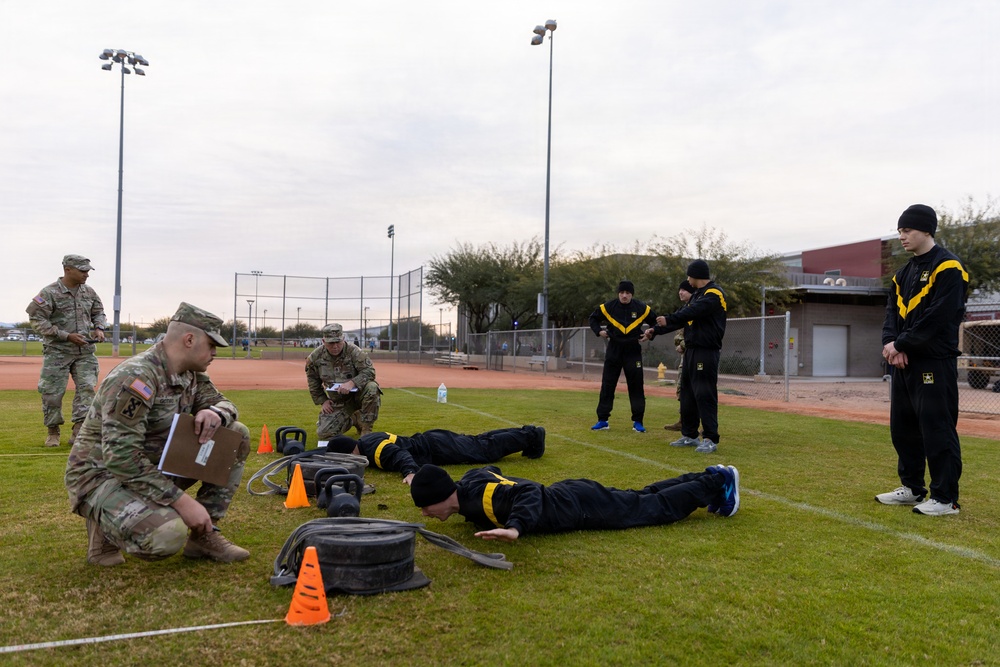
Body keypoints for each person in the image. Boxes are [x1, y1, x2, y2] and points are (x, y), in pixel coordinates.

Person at [64, 303, 251, 566]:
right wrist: (182, 502)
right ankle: (104, 527)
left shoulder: (190, 374)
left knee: (235, 434)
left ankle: (203, 535)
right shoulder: (136, 378)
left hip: (152, 465)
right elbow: (120, 458)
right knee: (166, 535)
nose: (214, 353)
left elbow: (225, 403)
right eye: (211, 345)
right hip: (102, 474)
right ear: (189, 339)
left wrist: (217, 413)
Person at [877, 204, 968, 516]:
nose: (902, 236)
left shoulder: (949, 268)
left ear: (927, 230)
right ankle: (913, 487)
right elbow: (891, 313)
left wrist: (902, 343)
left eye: (908, 230)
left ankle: (946, 498)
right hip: (903, 362)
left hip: (933, 361)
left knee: (937, 428)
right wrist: (890, 343)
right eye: (900, 231)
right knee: (902, 428)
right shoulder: (902, 273)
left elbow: (939, 317)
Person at [410, 463, 740, 542]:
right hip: (575, 494)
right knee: (644, 496)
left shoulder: (484, 497)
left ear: (442, 497)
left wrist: (515, 527)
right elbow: (488, 469)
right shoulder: (468, 484)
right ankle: (710, 477)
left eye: (426, 505)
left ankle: (716, 482)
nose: (425, 513)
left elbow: (528, 493)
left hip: (581, 507)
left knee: (654, 509)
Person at [26, 254, 109, 448]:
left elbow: (99, 311)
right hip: (57, 352)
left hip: (85, 352)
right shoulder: (49, 293)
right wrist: (65, 335)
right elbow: (37, 320)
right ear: (67, 269)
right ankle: (53, 431)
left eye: (88, 271)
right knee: (52, 393)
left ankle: (79, 430)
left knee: (87, 389)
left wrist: (99, 328)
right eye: (82, 271)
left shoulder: (89, 292)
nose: (86, 275)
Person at [645, 260, 727, 453]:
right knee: (688, 394)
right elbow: (683, 316)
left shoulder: (713, 294)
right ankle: (689, 435)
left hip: (705, 351)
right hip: (691, 350)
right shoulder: (697, 295)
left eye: (689, 275)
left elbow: (692, 311)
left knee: (704, 393)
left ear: (696, 275)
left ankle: (710, 438)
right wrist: (655, 330)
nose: (687, 279)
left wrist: (670, 319)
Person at [325, 425, 545, 483]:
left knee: (485, 449)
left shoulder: (376, 452)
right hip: (434, 441)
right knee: (481, 442)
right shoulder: (365, 440)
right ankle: (528, 434)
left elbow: (401, 456)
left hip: (437, 448)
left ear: (350, 452)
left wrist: (410, 473)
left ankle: (532, 435)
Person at [588, 279, 658, 433]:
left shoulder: (642, 308)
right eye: (621, 293)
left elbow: (655, 322)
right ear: (618, 293)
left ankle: (638, 422)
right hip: (614, 348)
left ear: (631, 294)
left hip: (633, 350)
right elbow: (593, 318)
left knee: (636, 386)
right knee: (608, 384)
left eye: (627, 293)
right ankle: (603, 420)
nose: (624, 295)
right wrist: (599, 331)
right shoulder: (608, 306)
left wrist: (649, 335)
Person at [305, 323, 381, 439]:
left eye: (338, 342)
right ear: (323, 341)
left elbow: (369, 371)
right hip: (338, 401)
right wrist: (323, 401)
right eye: (331, 343)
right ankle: (354, 419)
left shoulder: (354, 352)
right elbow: (313, 381)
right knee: (324, 433)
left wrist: (353, 383)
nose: (335, 346)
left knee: (372, 388)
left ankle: (366, 429)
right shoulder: (315, 358)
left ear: (343, 339)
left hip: (358, 396)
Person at [664, 280, 695, 432]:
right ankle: (683, 420)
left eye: (684, 290)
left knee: (697, 390)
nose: (680, 292)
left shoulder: (697, 309)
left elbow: (696, 334)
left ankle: (699, 424)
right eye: (679, 290)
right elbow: (678, 334)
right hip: (686, 356)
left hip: (697, 355)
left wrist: (682, 345)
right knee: (682, 389)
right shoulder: (684, 310)